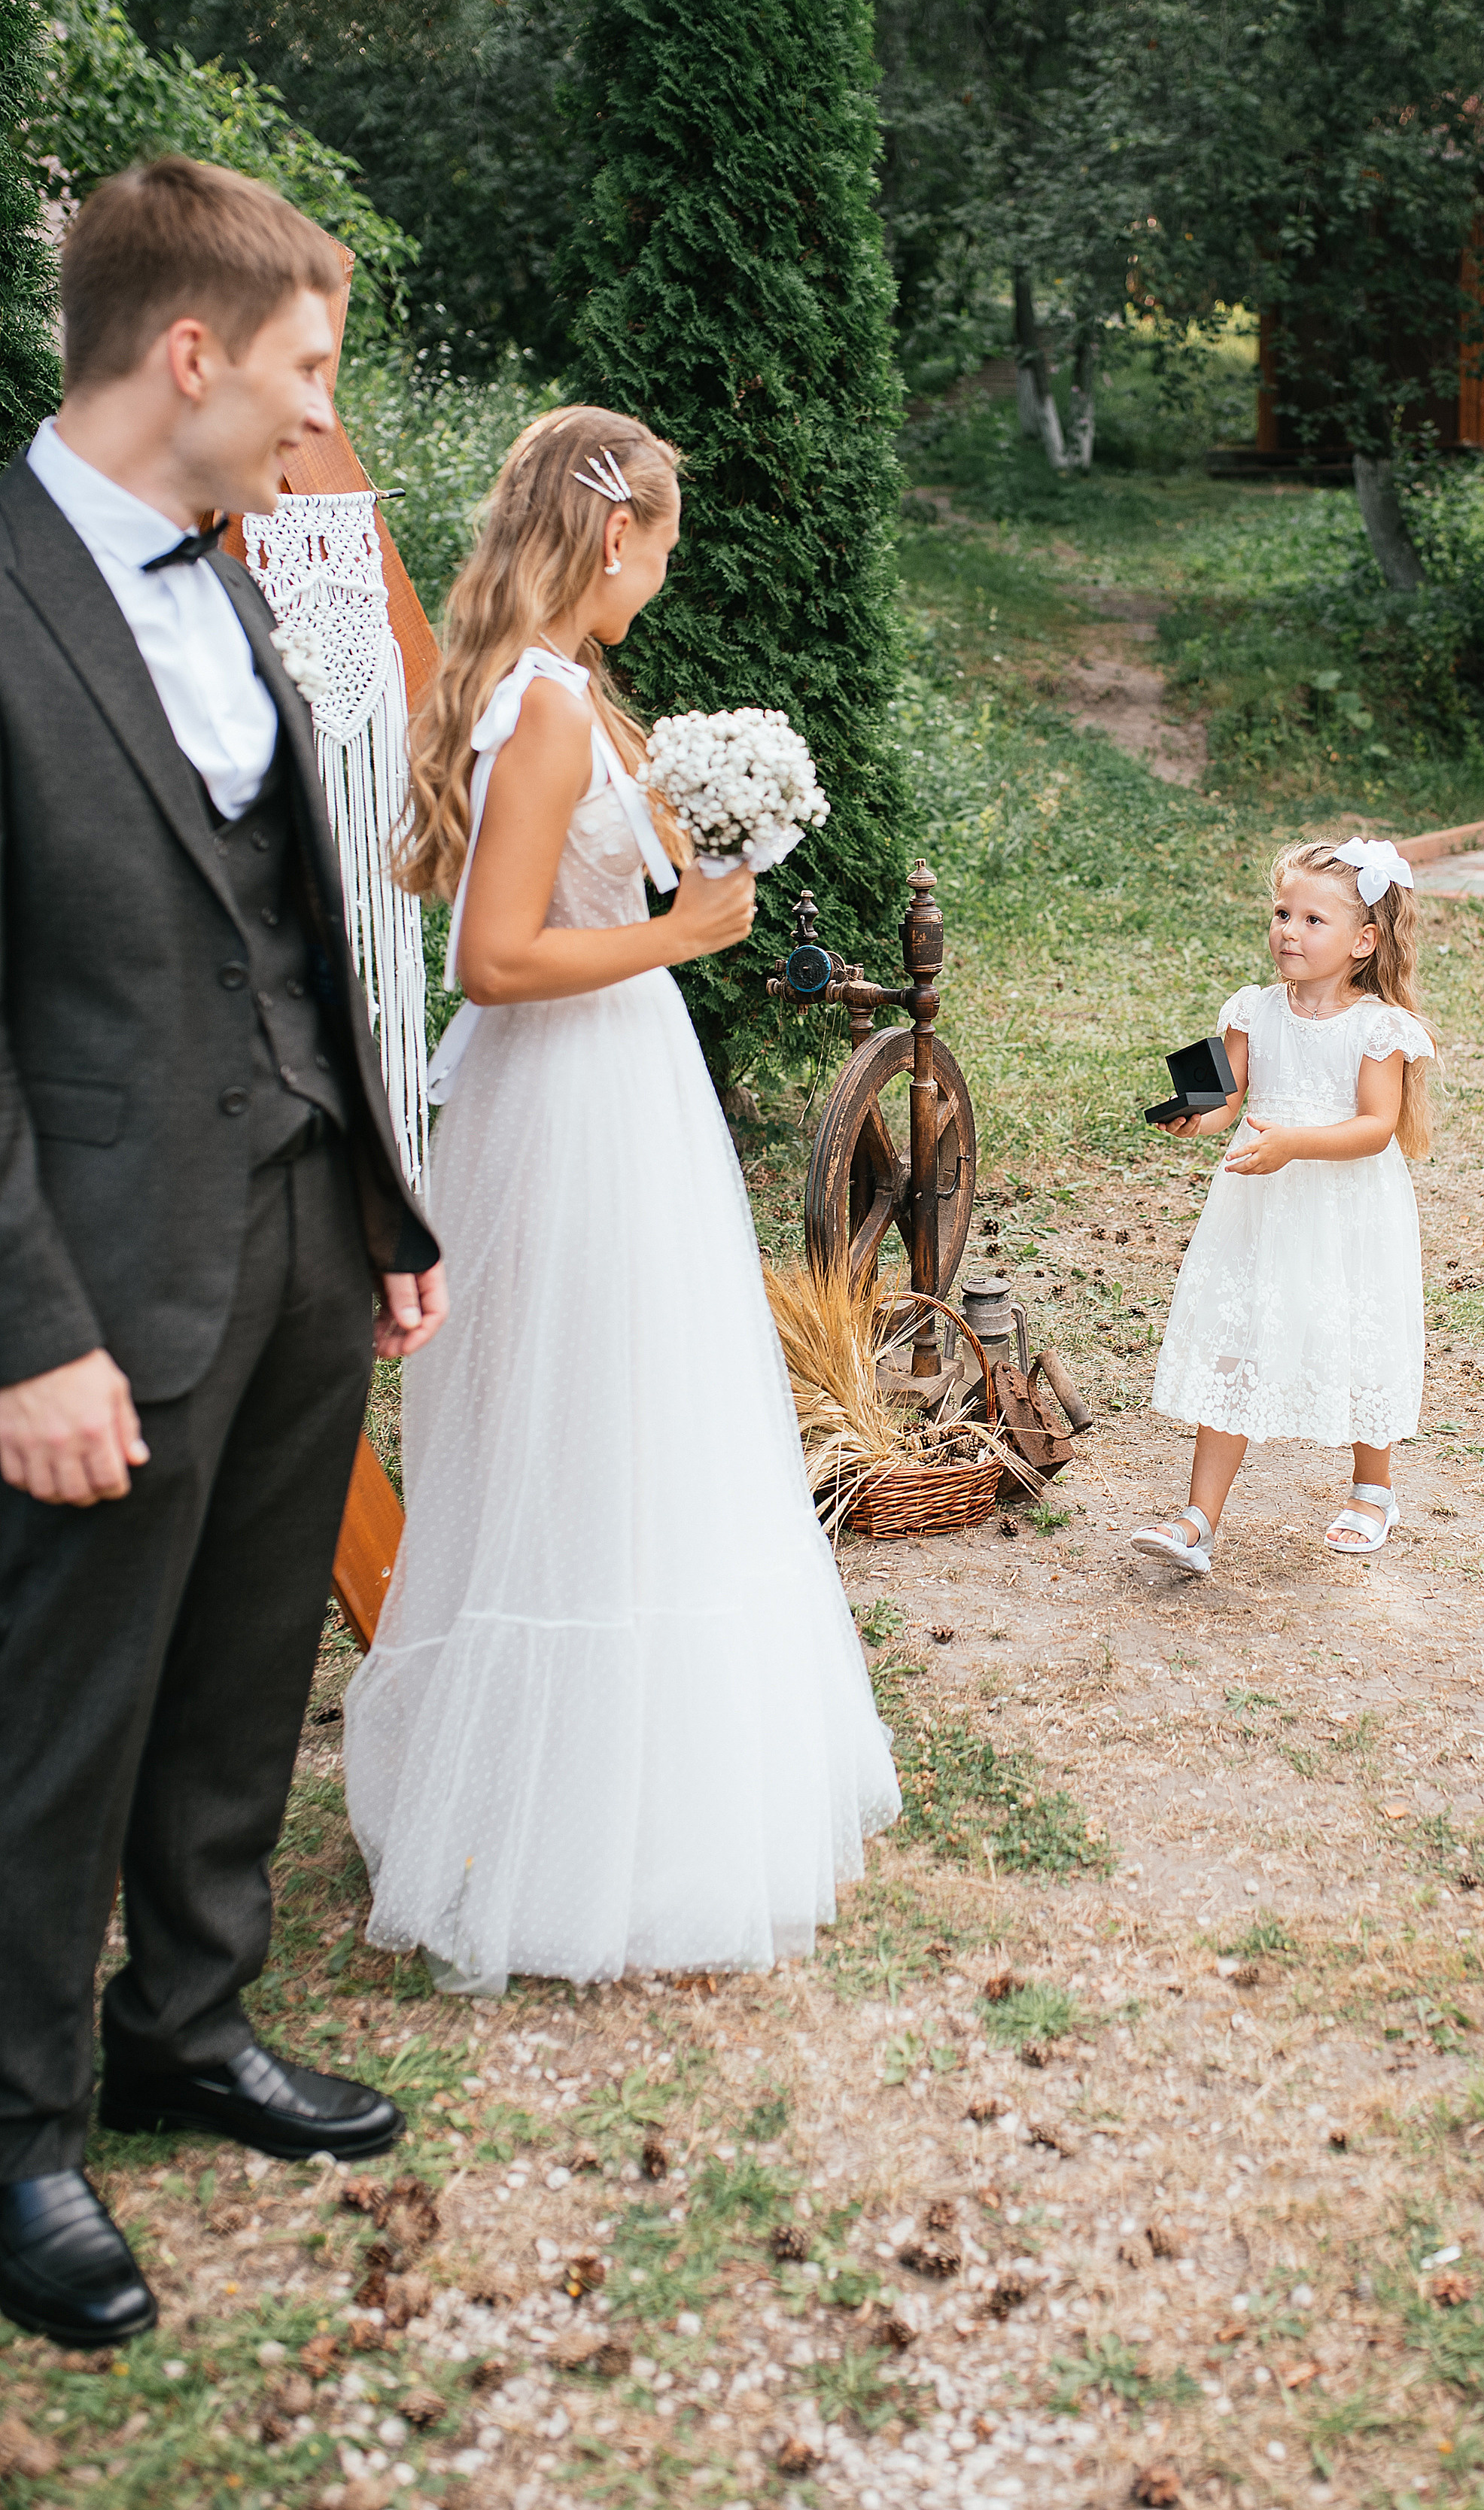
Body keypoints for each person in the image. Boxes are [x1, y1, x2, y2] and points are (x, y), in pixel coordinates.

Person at [0, 157, 448, 2353]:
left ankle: (187, 2019)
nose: (320, 413)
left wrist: (378, 1198)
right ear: (191, 353)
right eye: (307, 367)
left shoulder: (245, 574)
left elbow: (297, 912)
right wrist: (26, 1333)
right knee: (51, 1711)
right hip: (87, 1268)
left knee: (251, 1656)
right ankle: (16, 2129)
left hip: (291, 1210)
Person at [344, 407, 899, 1993]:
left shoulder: (571, 690)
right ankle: (558, 1830)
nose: (664, 570)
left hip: (614, 1079)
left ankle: (628, 1796)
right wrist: (681, 936)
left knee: (629, 1415)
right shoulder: (538, 704)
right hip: (568, 1096)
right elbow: (492, 957)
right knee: (578, 1421)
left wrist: (718, 826)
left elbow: (597, 882)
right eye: (662, 542)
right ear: (611, 535)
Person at [1133, 838, 1434, 1575]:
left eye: (1312, 920)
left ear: (1363, 942)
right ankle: (1198, 1520)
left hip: (1346, 1209)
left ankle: (1373, 1491)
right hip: (1260, 1206)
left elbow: (1375, 1128)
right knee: (1236, 1338)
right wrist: (1195, 1118)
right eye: (1281, 914)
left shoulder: (1379, 1028)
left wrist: (1295, 1144)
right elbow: (1224, 1099)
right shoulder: (1251, 1010)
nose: (1289, 932)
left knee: (1357, 1335)